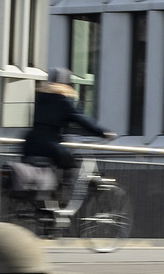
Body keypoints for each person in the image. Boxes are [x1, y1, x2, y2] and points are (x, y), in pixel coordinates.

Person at [22, 69, 113, 206]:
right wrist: (102, 133)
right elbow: (80, 119)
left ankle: (49, 199)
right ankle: (63, 199)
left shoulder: (39, 97)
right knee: (73, 165)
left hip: (30, 142)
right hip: (49, 144)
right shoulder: (61, 99)